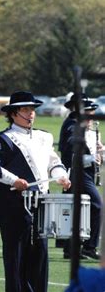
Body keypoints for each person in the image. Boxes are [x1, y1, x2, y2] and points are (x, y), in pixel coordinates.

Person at [0, 91, 71, 292]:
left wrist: (61, 176)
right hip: (13, 203)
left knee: (40, 252)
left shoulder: (44, 137)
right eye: (25, 110)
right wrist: (14, 180)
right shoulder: (4, 139)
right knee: (16, 254)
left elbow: (54, 162)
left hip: (41, 202)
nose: (31, 114)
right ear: (13, 113)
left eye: (32, 110)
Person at [59, 93, 102, 260]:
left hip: (85, 173)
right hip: (78, 173)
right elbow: (72, 152)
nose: (91, 115)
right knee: (97, 206)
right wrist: (92, 158)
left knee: (76, 209)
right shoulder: (72, 125)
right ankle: (89, 247)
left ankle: (71, 248)